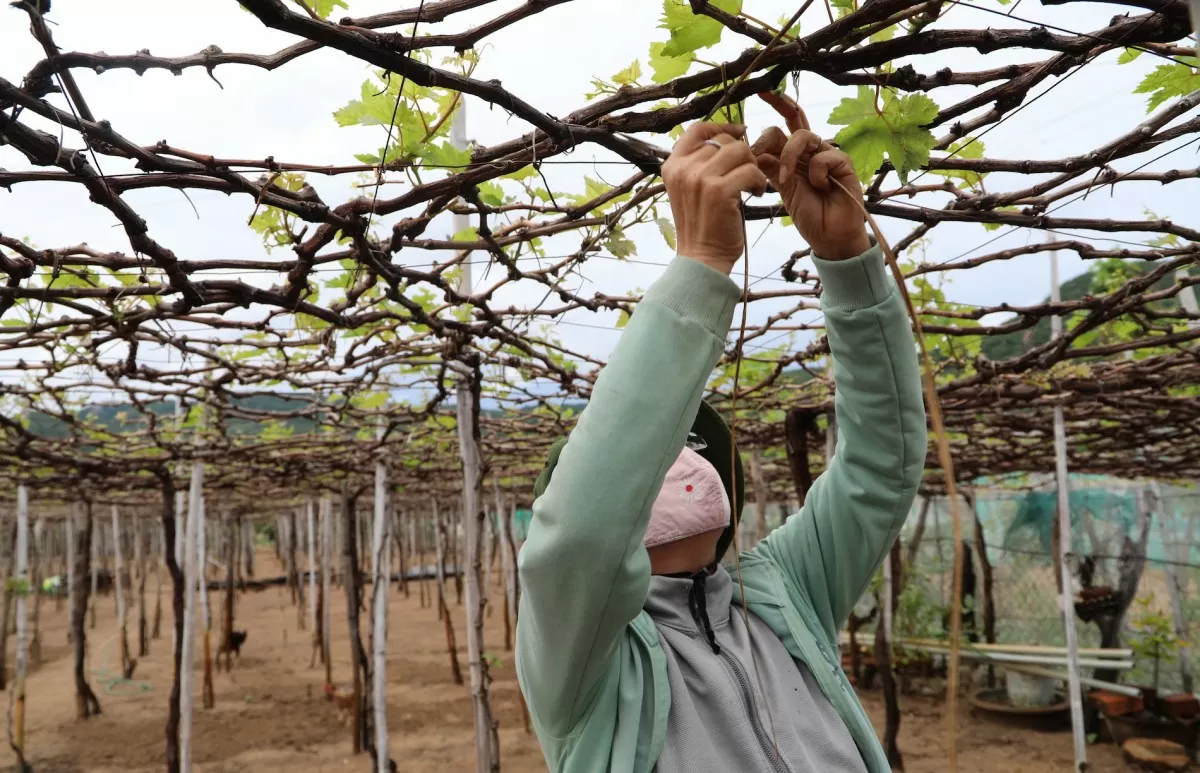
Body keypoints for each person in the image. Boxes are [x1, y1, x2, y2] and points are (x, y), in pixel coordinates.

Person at [515, 118, 927, 773]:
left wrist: (849, 262)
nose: (680, 461)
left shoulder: (787, 591)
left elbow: (882, 467)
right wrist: (700, 267)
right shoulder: (587, 662)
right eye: (656, 458)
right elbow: (580, 536)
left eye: (694, 446)